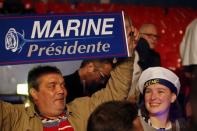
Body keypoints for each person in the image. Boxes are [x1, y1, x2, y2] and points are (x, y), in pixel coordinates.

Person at [0, 23, 138, 131]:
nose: (61, 91)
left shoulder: (82, 109)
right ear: (34, 93)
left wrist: (126, 50)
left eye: (62, 85)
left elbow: (114, 94)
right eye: (52, 86)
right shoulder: (16, 117)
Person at [137, 67, 186, 131]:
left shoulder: (183, 127)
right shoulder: (132, 126)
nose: (153, 97)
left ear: (172, 97)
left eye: (160, 91)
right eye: (148, 92)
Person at [128, 23, 161, 103]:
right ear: (139, 34)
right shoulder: (130, 52)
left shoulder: (154, 58)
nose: (153, 39)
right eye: (149, 35)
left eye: (156, 36)